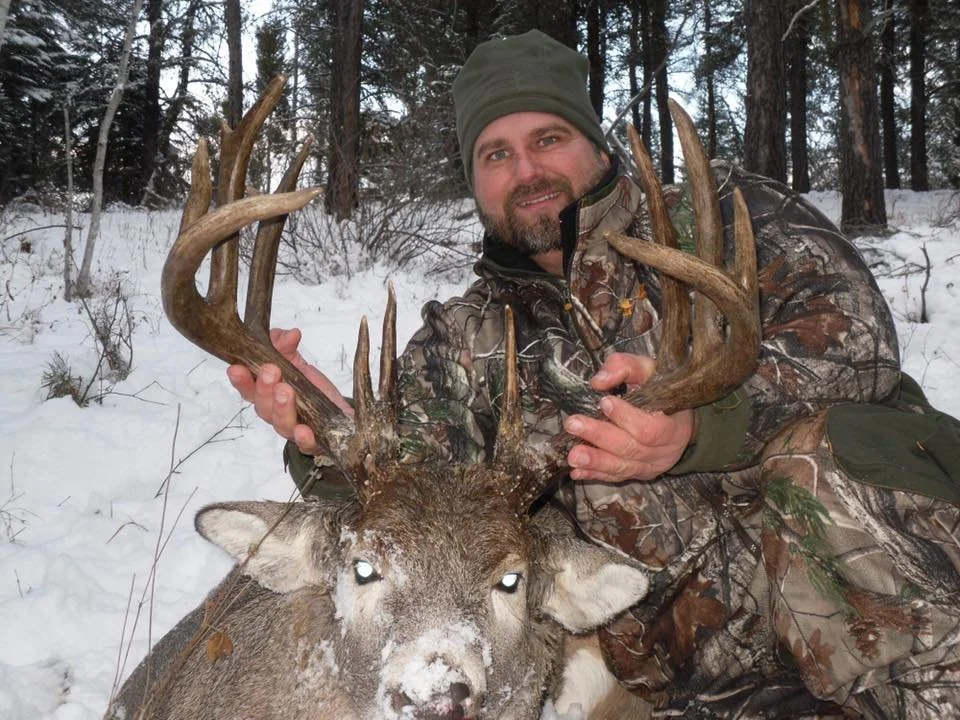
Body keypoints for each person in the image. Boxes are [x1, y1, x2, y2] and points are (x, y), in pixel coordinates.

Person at [227, 30, 960, 719]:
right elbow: (419, 493)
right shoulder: (466, 335)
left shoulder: (724, 220)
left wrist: (704, 425)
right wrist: (327, 433)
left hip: (873, 596)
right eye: (496, 154)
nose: (527, 172)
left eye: (548, 139)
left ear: (595, 143)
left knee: (824, 462)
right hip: (694, 669)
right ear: (474, 181)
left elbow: (860, 341)